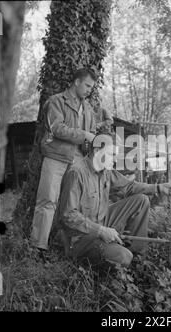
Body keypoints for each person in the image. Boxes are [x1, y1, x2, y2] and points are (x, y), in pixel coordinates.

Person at [56, 134, 171, 268]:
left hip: (100, 222)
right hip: (80, 238)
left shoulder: (106, 171)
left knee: (141, 200)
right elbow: (68, 216)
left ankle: (137, 258)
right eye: (111, 154)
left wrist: (158, 187)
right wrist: (101, 231)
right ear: (97, 151)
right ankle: (94, 263)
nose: (115, 159)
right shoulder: (76, 173)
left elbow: (129, 187)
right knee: (123, 257)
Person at [31, 68, 98, 252]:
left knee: (72, 206)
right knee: (47, 201)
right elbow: (57, 128)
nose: (89, 90)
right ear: (76, 82)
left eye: (91, 87)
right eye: (87, 85)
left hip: (77, 162)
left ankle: (69, 247)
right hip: (55, 156)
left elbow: (92, 134)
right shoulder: (56, 101)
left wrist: (96, 141)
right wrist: (84, 134)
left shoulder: (88, 109)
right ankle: (38, 247)